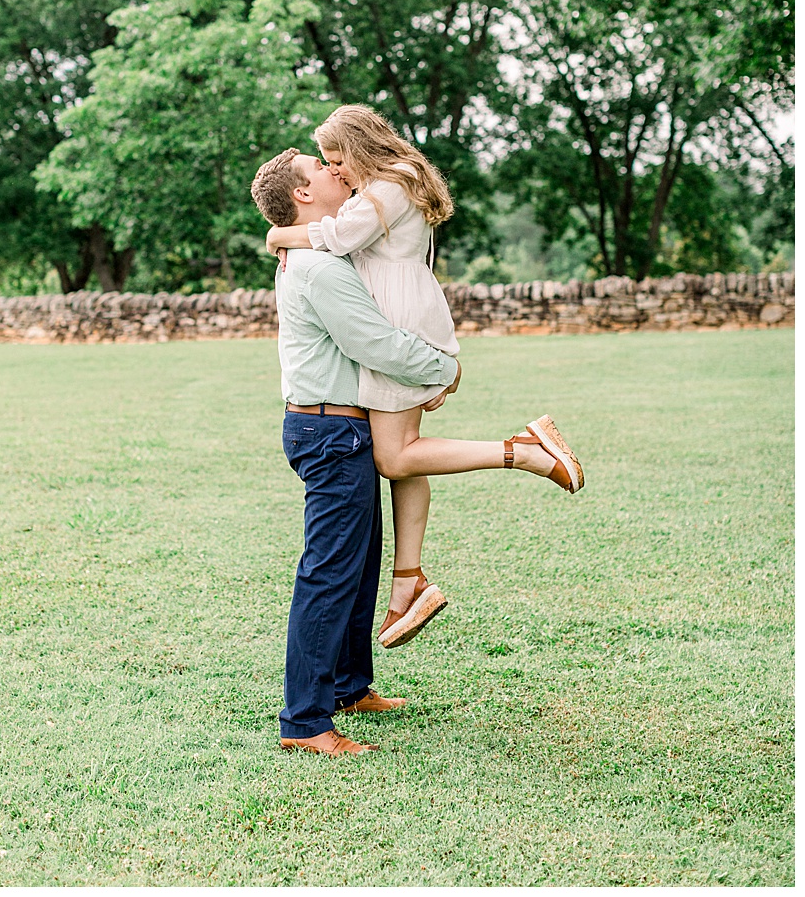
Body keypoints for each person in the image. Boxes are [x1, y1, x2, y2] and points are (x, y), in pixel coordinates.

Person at [262, 106, 582, 650]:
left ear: (359, 148)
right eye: (327, 165)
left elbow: (337, 238)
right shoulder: (386, 185)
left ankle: (524, 450)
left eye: (337, 160)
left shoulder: (386, 188)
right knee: (403, 455)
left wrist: (279, 235)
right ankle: (406, 585)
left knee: (394, 456)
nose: (335, 171)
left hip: (398, 321)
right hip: (400, 314)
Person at [249, 146, 460, 756]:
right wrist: (442, 368)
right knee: (330, 571)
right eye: (321, 170)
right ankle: (306, 723)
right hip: (329, 430)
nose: (335, 171)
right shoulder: (318, 265)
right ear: (303, 196)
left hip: (341, 428)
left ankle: (348, 685)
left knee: (360, 565)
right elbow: (377, 345)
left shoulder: (321, 251)